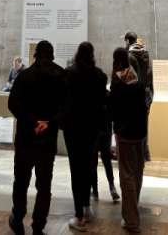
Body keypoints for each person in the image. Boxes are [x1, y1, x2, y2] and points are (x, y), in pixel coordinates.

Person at [7, 40, 66, 235]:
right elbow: (66, 107)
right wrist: (49, 123)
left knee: (21, 182)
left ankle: (17, 219)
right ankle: (38, 226)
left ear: (35, 55)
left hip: (25, 138)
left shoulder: (24, 76)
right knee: (44, 186)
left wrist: (33, 122)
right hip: (47, 141)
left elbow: (13, 104)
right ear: (52, 55)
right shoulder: (60, 75)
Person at [60, 42, 107, 231]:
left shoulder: (69, 74)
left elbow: (63, 100)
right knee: (88, 167)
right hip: (91, 128)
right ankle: (87, 207)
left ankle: (79, 215)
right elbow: (103, 102)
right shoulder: (100, 76)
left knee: (76, 169)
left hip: (73, 128)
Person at [109, 46, 148, 233]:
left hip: (125, 133)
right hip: (140, 132)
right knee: (138, 171)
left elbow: (113, 110)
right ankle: (133, 208)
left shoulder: (118, 82)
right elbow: (143, 104)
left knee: (127, 175)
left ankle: (131, 219)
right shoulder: (136, 79)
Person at [124, 32, 154, 160]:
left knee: (132, 126)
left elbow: (128, 79)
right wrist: (150, 95)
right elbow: (150, 76)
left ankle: (135, 155)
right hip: (146, 94)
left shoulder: (129, 56)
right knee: (143, 124)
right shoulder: (146, 55)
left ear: (127, 41)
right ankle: (145, 153)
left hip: (134, 96)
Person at [90, 94, 119, 204]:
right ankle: (112, 187)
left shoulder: (92, 95)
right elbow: (113, 115)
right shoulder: (108, 95)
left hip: (94, 131)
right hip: (106, 131)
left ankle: (95, 191)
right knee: (107, 161)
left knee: (93, 162)